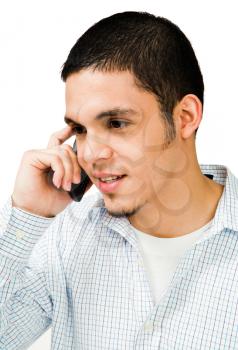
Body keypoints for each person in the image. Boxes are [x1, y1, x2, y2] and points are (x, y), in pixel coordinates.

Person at [0, 10, 236, 349]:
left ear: (185, 117)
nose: (91, 154)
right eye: (80, 129)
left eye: (116, 124)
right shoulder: (67, 237)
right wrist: (26, 214)